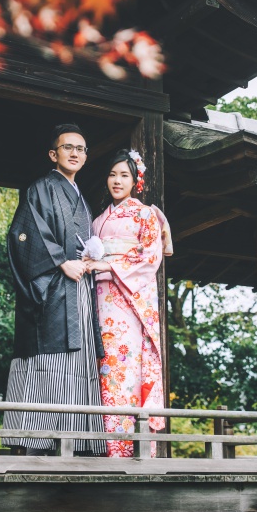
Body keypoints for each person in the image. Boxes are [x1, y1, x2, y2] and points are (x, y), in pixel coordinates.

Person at [2, 123, 106, 456]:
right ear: (53, 154)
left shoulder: (81, 197)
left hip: (80, 287)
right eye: (68, 147)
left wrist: (88, 259)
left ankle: (74, 442)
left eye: (81, 149)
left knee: (79, 360)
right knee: (51, 360)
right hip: (55, 287)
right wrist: (62, 261)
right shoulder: (41, 188)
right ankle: (37, 441)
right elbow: (24, 233)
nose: (75, 153)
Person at [85, 148, 172, 458]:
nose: (117, 181)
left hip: (127, 303)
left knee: (123, 369)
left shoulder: (146, 214)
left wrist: (108, 266)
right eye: (112, 174)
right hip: (99, 299)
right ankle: (101, 445)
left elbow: (150, 257)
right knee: (100, 369)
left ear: (136, 180)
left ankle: (126, 448)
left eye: (124, 175)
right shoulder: (97, 220)